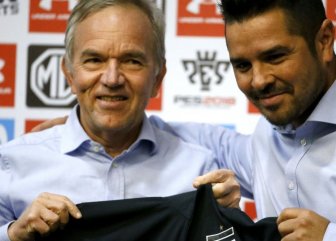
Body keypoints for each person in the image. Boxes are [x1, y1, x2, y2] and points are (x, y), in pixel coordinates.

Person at [32, 0, 336, 240]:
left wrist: (335, 238)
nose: (258, 80)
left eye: (275, 56)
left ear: (324, 40)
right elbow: (199, 137)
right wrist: (93, 122)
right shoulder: (270, 132)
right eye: (242, 64)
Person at [0, 1, 240, 241]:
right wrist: (13, 235)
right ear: (69, 74)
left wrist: (226, 217)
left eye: (132, 61)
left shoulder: (199, 170)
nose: (112, 78)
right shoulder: (11, 164)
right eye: (94, 60)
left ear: (158, 77)